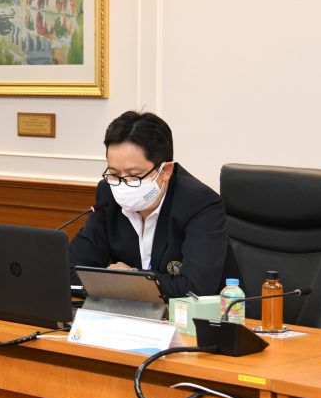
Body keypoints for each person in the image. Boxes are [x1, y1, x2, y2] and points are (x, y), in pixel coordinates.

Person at [67, 111, 227, 298]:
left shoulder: (200, 204)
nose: (122, 184)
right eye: (114, 174)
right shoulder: (108, 193)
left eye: (134, 176)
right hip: (126, 312)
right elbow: (69, 270)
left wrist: (131, 278)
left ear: (165, 171)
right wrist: (120, 284)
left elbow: (194, 288)